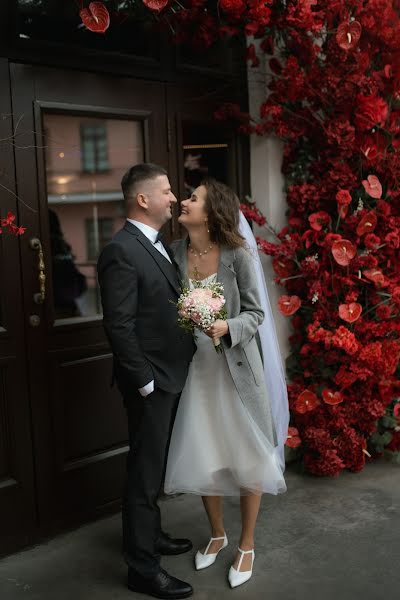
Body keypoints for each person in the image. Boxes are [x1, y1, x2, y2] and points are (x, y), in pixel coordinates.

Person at [164, 178, 289, 588]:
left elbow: (256, 313)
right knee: (207, 452)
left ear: (211, 210)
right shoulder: (176, 252)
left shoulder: (237, 253)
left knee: (247, 455)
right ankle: (217, 534)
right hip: (199, 371)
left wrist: (226, 326)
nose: (184, 202)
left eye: (193, 198)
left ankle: (247, 543)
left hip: (236, 370)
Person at [97, 163, 196, 599]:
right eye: (167, 191)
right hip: (151, 382)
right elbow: (118, 325)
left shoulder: (157, 245)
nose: (174, 198)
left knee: (151, 466)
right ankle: (142, 567)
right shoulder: (122, 249)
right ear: (143, 199)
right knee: (143, 471)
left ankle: (150, 535)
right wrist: (145, 382)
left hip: (171, 375)